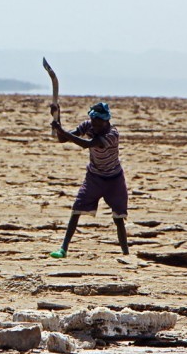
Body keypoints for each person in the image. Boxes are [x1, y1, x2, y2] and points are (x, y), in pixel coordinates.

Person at [48, 101, 129, 258]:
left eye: (98, 121)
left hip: (114, 180)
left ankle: (126, 253)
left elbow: (88, 144)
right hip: (94, 177)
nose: (95, 124)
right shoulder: (88, 125)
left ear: (106, 121)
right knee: (76, 209)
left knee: (118, 218)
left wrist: (61, 129)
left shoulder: (112, 134)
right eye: (93, 121)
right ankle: (63, 249)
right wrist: (58, 119)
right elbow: (63, 139)